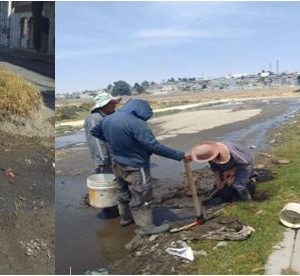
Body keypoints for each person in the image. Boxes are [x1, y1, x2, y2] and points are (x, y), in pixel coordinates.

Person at [91, 99, 192, 235]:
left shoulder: (108, 119)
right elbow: (154, 146)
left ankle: (125, 218)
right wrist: (180, 155)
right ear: (140, 110)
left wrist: (114, 141)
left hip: (117, 163)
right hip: (136, 166)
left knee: (122, 191)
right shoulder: (137, 124)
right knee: (142, 195)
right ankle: (146, 226)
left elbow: (95, 131)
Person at [191, 141, 255, 203]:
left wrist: (232, 171)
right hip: (227, 166)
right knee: (221, 186)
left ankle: (247, 202)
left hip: (243, 165)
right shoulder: (209, 155)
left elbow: (246, 162)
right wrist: (218, 181)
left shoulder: (232, 152)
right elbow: (215, 169)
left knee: (238, 185)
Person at [84, 92, 121, 174]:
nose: (114, 105)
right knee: (107, 179)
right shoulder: (95, 119)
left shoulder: (111, 115)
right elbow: (96, 141)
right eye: (110, 103)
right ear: (103, 105)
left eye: (113, 103)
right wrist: (102, 159)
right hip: (106, 158)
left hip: (116, 155)